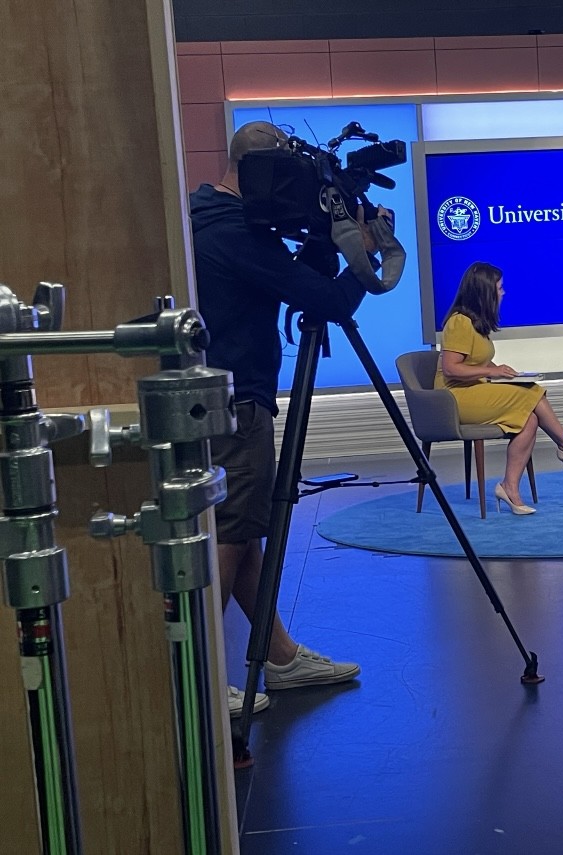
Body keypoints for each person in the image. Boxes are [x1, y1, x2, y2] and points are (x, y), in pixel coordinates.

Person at [191, 121, 388, 715]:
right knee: (231, 529)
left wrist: (324, 238)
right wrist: (365, 252)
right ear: (260, 173)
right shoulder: (234, 232)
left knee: (244, 527)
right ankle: (198, 679)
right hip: (236, 402)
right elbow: (324, 300)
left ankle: (279, 658)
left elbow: (290, 275)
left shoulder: (207, 216)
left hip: (220, 396)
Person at [437, 261, 563, 515]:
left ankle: (509, 487)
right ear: (483, 292)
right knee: (531, 391)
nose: (503, 292)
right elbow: (451, 368)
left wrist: (499, 369)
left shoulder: (476, 323)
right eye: (499, 288)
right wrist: (491, 371)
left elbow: (474, 359)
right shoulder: (459, 322)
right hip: (454, 399)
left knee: (531, 420)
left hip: (474, 390)